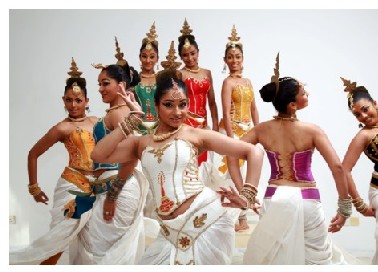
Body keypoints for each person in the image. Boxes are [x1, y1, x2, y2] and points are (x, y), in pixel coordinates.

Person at [90, 59, 264, 264]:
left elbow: (254, 153)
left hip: (206, 224)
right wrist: (131, 121)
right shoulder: (141, 143)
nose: (177, 112)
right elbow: (98, 155)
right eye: (168, 105)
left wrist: (247, 195)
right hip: (169, 233)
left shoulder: (196, 135)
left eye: (183, 104)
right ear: (156, 106)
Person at [220, 53, 352, 264]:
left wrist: (245, 192)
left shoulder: (261, 130)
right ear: (292, 104)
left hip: (274, 200)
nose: (307, 93)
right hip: (307, 198)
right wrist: (344, 207)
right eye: (303, 92)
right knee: (317, 261)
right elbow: (337, 167)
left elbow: (231, 155)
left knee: (275, 260)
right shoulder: (312, 131)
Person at [9, 58, 98, 265]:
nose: (73, 105)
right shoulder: (62, 128)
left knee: (92, 243)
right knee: (58, 242)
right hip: (72, 186)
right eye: (68, 100)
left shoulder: (97, 122)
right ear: (63, 100)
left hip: (96, 188)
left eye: (78, 100)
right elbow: (33, 153)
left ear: (86, 100)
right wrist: (34, 188)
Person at [69, 39, 148, 264]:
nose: (101, 89)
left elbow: (132, 156)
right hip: (111, 187)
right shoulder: (116, 113)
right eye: (99, 84)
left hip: (118, 189)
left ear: (121, 85)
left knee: (106, 256)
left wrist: (112, 196)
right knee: (105, 253)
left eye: (106, 83)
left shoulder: (120, 113)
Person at [340, 77, 378, 264]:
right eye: (357, 115)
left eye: (365, 109)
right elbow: (343, 170)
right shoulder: (363, 136)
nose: (363, 116)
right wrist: (360, 205)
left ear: (375, 104)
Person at [217, 24, 260, 231]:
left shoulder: (248, 81)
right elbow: (225, 112)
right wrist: (231, 138)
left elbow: (253, 109)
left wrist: (259, 132)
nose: (234, 61)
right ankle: (237, 217)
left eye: (238, 56)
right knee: (231, 174)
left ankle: (240, 214)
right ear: (225, 60)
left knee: (243, 172)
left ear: (243, 58)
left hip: (247, 131)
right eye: (230, 57)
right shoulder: (227, 83)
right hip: (231, 130)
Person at [177, 18, 219, 167]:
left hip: (204, 123)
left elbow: (212, 103)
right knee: (188, 159)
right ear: (181, 57)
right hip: (185, 123)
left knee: (204, 161)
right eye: (185, 55)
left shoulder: (207, 73)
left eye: (193, 53)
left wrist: (215, 126)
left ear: (198, 52)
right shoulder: (180, 74)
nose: (190, 58)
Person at [133, 22, 160, 135]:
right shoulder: (133, 80)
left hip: (160, 129)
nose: (148, 60)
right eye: (144, 56)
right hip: (137, 130)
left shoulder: (161, 79)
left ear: (157, 58)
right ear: (140, 57)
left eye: (152, 56)